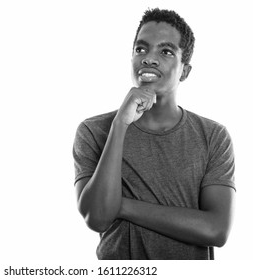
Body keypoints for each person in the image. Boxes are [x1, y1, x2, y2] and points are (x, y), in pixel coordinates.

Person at [72, 8, 235, 260]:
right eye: (141, 49)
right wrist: (120, 124)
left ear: (185, 71)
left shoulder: (213, 136)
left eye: (166, 51)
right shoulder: (94, 131)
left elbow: (216, 229)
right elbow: (97, 218)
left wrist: (121, 205)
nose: (149, 58)